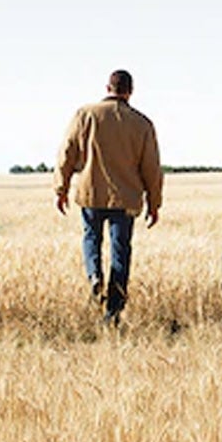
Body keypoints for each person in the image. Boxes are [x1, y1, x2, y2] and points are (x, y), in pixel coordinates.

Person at [55, 69, 163, 325]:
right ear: (130, 91)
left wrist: (61, 188)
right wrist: (154, 203)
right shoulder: (142, 123)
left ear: (107, 88)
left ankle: (94, 276)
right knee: (120, 250)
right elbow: (152, 167)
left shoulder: (85, 115)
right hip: (125, 198)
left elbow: (66, 152)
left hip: (91, 193)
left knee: (91, 238)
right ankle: (113, 310)